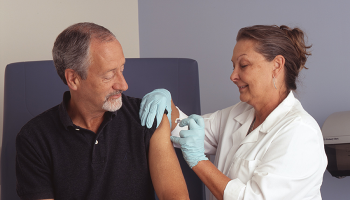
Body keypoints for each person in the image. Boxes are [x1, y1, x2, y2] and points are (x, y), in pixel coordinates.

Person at [139, 25, 327, 200]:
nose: (233, 76)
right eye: (233, 66)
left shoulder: (300, 132)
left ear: (277, 65)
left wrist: (199, 161)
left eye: (243, 65)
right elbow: (185, 130)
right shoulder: (239, 113)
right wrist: (167, 104)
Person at [16, 22, 189, 200]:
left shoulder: (148, 116)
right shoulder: (34, 138)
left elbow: (175, 196)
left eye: (122, 69)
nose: (123, 85)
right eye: (108, 75)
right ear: (73, 79)